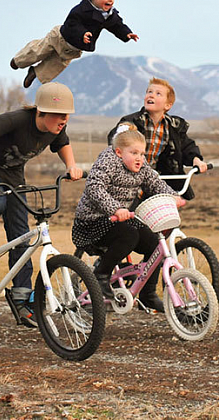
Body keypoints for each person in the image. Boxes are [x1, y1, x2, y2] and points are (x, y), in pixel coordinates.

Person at [0, 82, 82, 328]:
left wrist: (71, 166)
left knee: (21, 235)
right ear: (41, 112)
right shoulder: (17, 120)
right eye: (59, 115)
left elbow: (62, 144)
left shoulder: (56, 128)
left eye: (66, 115)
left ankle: (22, 296)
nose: (64, 119)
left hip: (12, 173)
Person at [72, 123, 184, 312]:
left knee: (155, 243)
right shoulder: (108, 161)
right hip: (92, 222)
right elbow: (94, 187)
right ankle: (101, 274)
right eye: (134, 153)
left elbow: (155, 182)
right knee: (129, 235)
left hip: (120, 220)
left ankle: (147, 294)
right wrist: (115, 209)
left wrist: (173, 196)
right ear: (118, 152)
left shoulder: (140, 166)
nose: (139, 158)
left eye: (142, 153)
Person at [11, 0, 139, 88]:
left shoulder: (109, 15)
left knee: (56, 65)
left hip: (74, 48)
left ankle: (34, 73)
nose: (111, 0)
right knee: (38, 50)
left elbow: (117, 25)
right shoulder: (81, 10)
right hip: (60, 37)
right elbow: (72, 23)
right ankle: (18, 60)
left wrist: (126, 33)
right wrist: (82, 34)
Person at [107, 77, 208, 200]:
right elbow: (116, 139)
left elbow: (186, 145)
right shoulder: (132, 121)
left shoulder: (174, 126)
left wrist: (196, 159)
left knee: (165, 214)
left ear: (168, 105)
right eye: (149, 92)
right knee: (129, 214)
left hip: (157, 179)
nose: (151, 95)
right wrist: (122, 132)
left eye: (158, 93)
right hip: (132, 178)